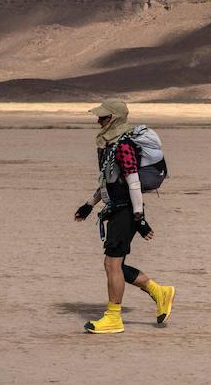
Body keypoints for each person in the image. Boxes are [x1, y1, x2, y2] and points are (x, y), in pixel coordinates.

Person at [73, 99, 175, 334]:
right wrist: (89, 206)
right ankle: (160, 292)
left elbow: (133, 182)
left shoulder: (123, 146)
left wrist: (139, 218)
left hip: (126, 210)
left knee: (112, 264)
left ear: (115, 119)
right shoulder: (109, 146)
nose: (99, 120)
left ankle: (113, 318)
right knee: (114, 265)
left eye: (104, 117)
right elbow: (108, 182)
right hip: (116, 209)